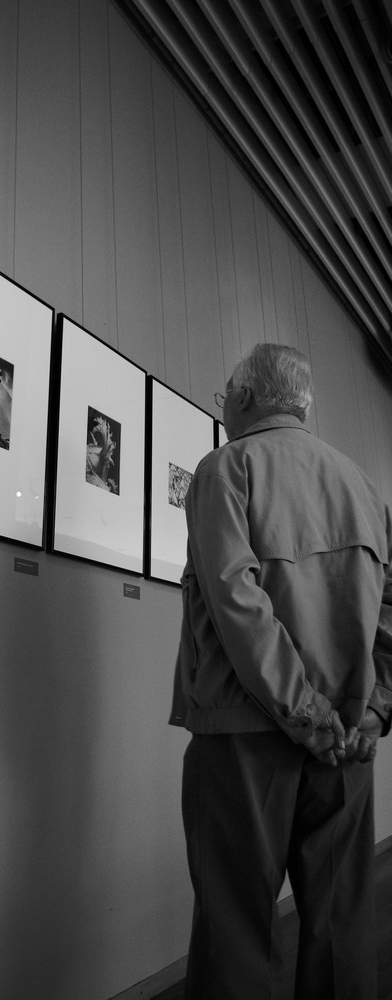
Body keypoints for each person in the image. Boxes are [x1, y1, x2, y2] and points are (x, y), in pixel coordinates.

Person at [170, 343, 392, 1000]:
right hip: (349, 740)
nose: (223, 407)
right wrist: (373, 709)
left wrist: (304, 713)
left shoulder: (225, 467)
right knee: (340, 922)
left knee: (235, 924)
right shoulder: (362, 485)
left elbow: (237, 603)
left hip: (246, 735)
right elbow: (388, 612)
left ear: (244, 397)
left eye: (223, 397)